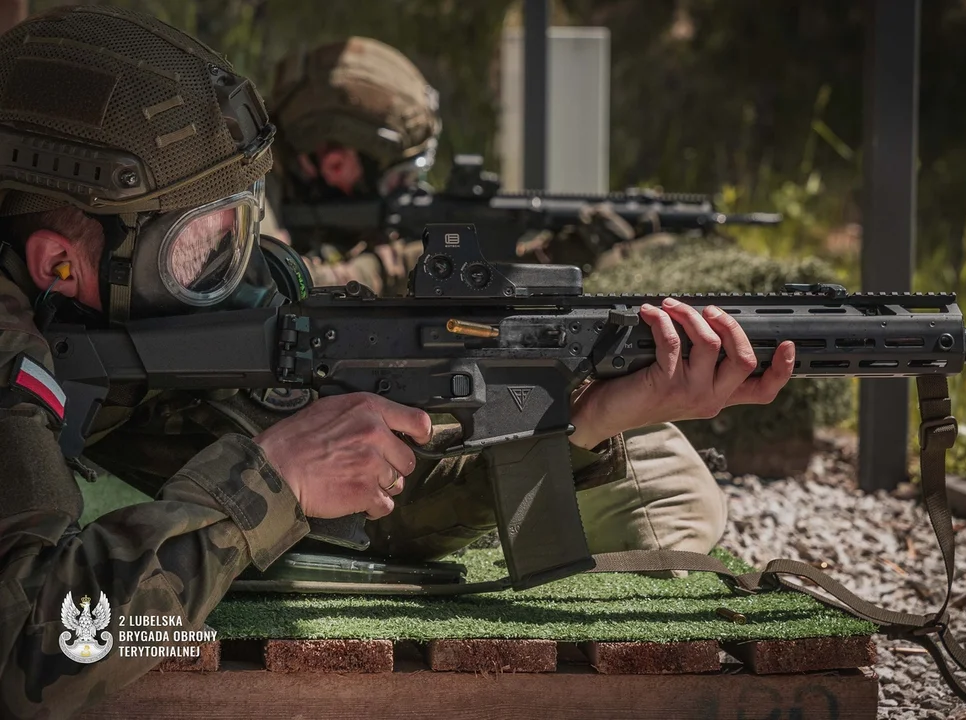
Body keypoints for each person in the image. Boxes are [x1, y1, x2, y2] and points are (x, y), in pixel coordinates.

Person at [0, 8, 795, 718]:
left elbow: (367, 527)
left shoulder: (106, 326)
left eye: (237, 226)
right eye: (198, 247)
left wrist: (584, 425)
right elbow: (33, 661)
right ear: (57, 262)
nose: (235, 272)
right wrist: (267, 479)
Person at [263, 37, 745, 567]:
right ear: (335, 162)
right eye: (402, 176)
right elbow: (295, 284)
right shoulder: (247, 209)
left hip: (401, 427)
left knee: (654, 461)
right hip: (309, 454)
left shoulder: (294, 197)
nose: (409, 189)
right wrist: (412, 266)